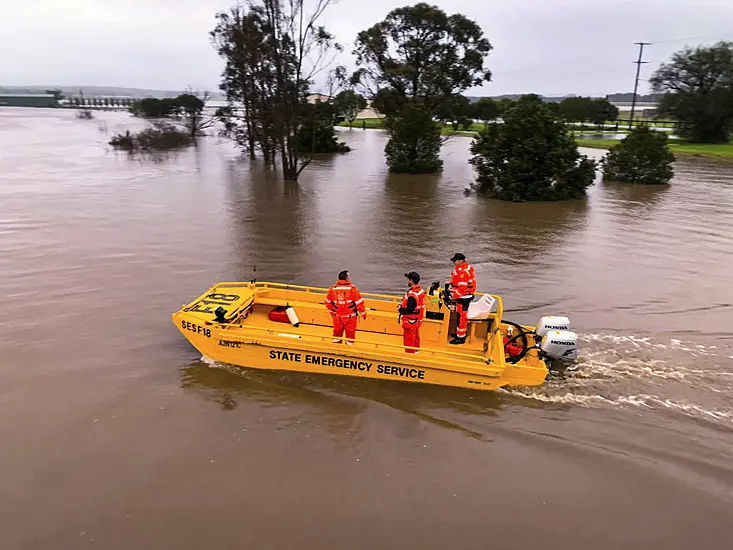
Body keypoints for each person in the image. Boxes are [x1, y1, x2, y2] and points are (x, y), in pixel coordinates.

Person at [324, 270, 366, 344]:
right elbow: (359, 303)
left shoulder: (333, 289)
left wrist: (332, 311)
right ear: (346, 278)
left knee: (336, 334)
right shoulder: (352, 289)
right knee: (350, 335)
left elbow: (327, 302)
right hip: (350, 317)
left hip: (337, 317)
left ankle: (336, 349)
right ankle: (348, 350)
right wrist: (363, 313)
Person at [448, 253, 476, 345]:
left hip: (464, 297)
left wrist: (453, 296)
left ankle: (461, 338)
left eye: (454, 261)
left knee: (461, 317)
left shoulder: (463, 272)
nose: (453, 262)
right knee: (459, 316)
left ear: (460, 261)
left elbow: (462, 289)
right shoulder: (465, 268)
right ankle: (458, 334)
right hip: (464, 296)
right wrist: (451, 283)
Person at [398, 271, 426, 354]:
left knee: (409, 340)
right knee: (416, 338)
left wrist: (400, 309)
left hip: (410, 321)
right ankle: (416, 352)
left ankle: (409, 356)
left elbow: (409, 309)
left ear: (411, 280)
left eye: (408, 279)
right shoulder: (420, 291)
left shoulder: (412, 295)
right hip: (417, 320)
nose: (408, 281)